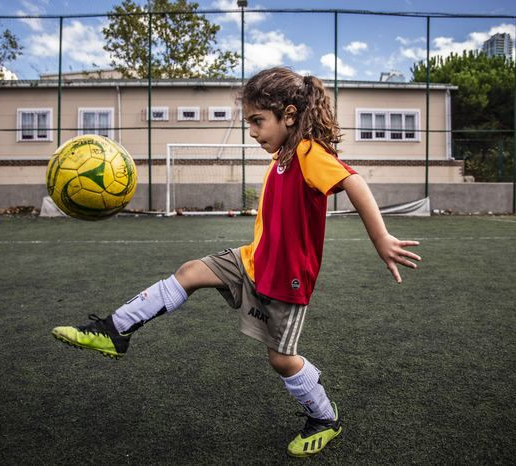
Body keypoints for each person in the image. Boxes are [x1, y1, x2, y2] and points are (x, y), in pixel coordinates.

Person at [52, 66, 421, 458]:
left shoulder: (310, 153)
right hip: (252, 261)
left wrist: (381, 238)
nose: (253, 131)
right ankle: (115, 331)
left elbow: (354, 182)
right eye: (249, 122)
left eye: (258, 121)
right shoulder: (282, 155)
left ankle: (325, 417)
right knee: (190, 272)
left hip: (286, 280)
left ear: (290, 115)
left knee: (281, 360)